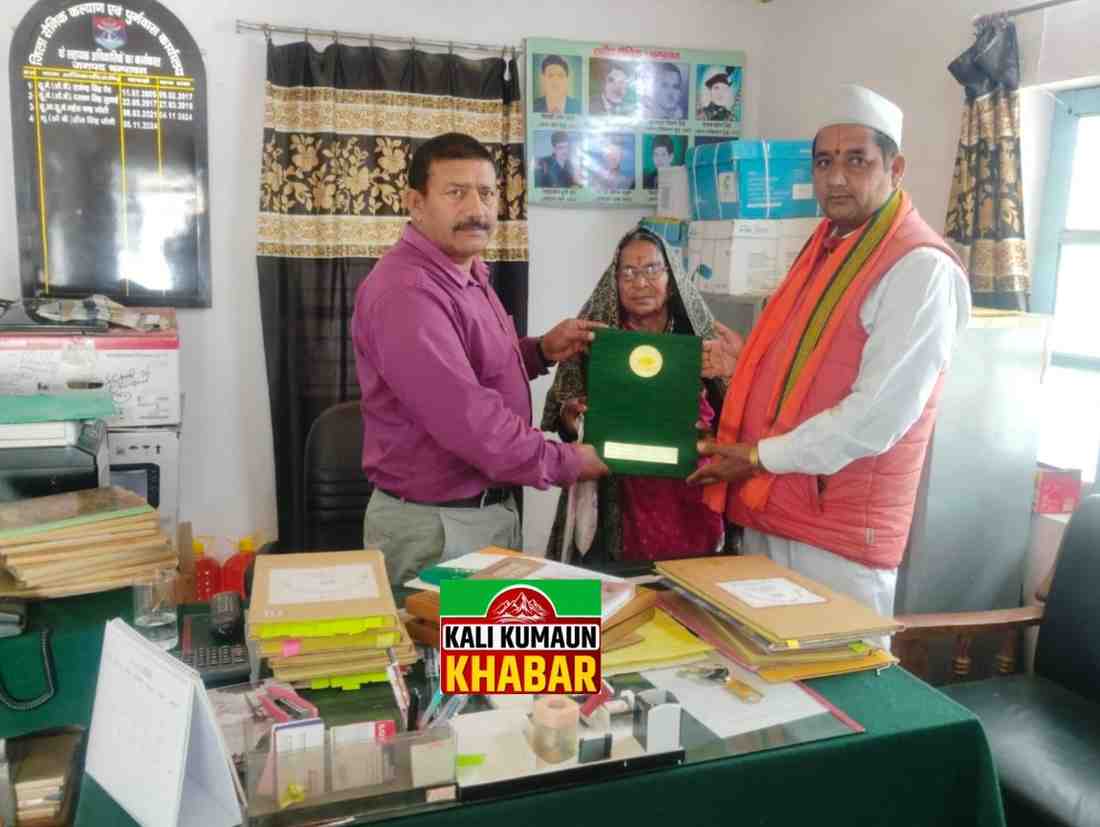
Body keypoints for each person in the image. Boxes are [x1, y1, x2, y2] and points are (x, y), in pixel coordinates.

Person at [688, 85, 971, 633]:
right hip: (776, 505)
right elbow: (816, 367)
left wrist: (758, 456)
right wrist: (748, 367)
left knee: (837, 680)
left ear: (896, 169)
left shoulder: (918, 268)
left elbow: (877, 418)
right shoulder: (829, 244)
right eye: (824, 162)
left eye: (856, 160)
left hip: (836, 535)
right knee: (761, 672)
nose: (836, 177)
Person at [352, 132, 609, 586]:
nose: (477, 209)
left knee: (495, 636)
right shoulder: (407, 292)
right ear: (415, 203)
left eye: (487, 193)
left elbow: (471, 369)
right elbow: (468, 417)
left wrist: (539, 352)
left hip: (478, 516)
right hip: (438, 529)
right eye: (456, 193)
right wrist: (568, 461)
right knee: (442, 639)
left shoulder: (464, 272)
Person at [542, 225, 743, 564]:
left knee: (687, 582)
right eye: (629, 273)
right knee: (619, 583)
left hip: (687, 486)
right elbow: (563, 412)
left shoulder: (699, 338)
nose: (640, 283)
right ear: (615, 281)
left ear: (671, 278)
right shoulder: (594, 339)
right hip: (616, 488)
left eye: (651, 269)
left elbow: (736, 411)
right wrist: (572, 417)